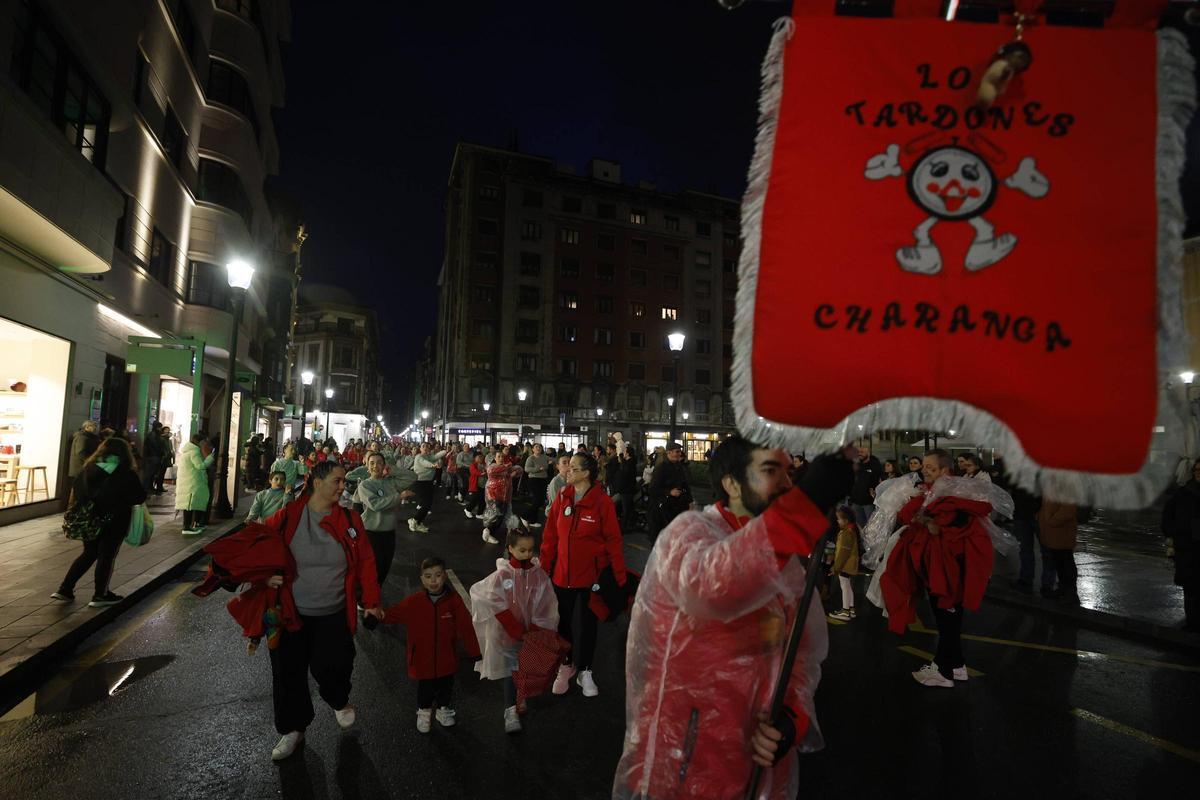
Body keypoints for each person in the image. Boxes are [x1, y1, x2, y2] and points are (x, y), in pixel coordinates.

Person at [613, 438, 854, 800]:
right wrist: (804, 506)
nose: (787, 484)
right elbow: (712, 586)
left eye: (790, 473)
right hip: (686, 759)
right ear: (731, 483)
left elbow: (802, 653)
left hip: (758, 762)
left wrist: (792, 717)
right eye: (771, 471)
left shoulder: (783, 559)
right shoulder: (689, 533)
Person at [259, 460, 384, 761]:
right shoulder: (287, 516)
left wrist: (372, 602)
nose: (343, 487)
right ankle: (293, 729)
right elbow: (258, 548)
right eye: (337, 481)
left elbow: (366, 562)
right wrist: (264, 575)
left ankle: (339, 699)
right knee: (289, 673)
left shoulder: (351, 520)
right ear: (317, 482)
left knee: (336, 665)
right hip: (291, 612)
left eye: (344, 481)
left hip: (334, 612)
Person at [876, 449, 1012, 688]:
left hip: (947, 570)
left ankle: (943, 670)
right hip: (942, 567)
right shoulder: (939, 495)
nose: (924, 471)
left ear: (945, 471)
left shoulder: (952, 498)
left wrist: (928, 520)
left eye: (931, 468)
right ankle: (957, 665)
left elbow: (949, 526)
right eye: (924, 467)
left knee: (947, 618)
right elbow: (914, 516)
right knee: (949, 618)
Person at [540, 453, 625, 698]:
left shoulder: (602, 502)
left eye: (574, 468)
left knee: (588, 625)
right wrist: (545, 566)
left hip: (592, 578)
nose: (568, 471)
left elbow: (613, 541)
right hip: (562, 576)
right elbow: (550, 536)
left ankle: (585, 670)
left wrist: (618, 577)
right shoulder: (562, 497)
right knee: (563, 623)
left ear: (586, 473)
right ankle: (566, 665)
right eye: (569, 468)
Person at [470, 530, 560, 733]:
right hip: (508, 635)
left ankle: (520, 698)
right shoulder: (503, 575)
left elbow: (546, 605)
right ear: (510, 549)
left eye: (530, 550)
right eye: (522, 550)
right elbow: (496, 603)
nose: (527, 554)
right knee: (512, 671)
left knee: (525, 668)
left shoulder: (538, 575)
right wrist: (516, 630)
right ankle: (510, 709)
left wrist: (535, 630)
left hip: (531, 635)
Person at [382, 557, 480, 732]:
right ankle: (424, 712)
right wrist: (376, 617)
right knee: (425, 689)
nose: (433, 580)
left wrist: (475, 651)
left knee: (446, 687)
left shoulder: (454, 601)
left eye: (437, 575)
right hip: (422, 659)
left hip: (446, 658)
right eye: (428, 576)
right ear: (421, 579)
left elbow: (466, 627)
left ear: (444, 576)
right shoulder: (414, 602)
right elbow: (393, 613)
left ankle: (443, 710)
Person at [51, 437, 148, 608]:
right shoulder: (124, 472)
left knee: (89, 553)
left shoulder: (87, 470)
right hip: (114, 521)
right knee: (106, 556)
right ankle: (100, 595)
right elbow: (138, 496)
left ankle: (65, 588)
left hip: (89, 520)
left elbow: (78, 494)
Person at [353, 452, 417, 589]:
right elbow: (376, 505)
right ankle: (364, 599)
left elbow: (412, 476)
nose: (376, 466)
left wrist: (393, 470)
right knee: (372, 567)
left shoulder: (390, 482)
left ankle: (374, 595)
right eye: (372, 463)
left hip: (388, 532)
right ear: (367, 467)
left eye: (379, 463)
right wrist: (399, 497)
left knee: (385, 566)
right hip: (371, 533)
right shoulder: (365, 485)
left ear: (384, 465)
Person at [1162, 459, 1200, 632]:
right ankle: (1192, 622)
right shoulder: (1183, 494)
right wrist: (1179, 532)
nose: (1199, 473)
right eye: (1197, 470)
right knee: (1190, 588)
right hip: (1187, 550)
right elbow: (1167, 519)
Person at [1037, 499, 1079, 603]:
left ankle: (1070, 592)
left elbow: (1069, 508)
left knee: (1066, 562)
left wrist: (1052, 520)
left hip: (1062, 531)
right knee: (1059, 563)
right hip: (1053, 532)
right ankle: (1063, 589)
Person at [648, 442, 692, 539]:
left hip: (677, 508)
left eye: (680, 451)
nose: (679, 454)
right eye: (677, 451)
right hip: (664, 511)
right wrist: (669, 492)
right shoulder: (661, 468)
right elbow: (652, 489)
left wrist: (690, 501)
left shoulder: (679, 466)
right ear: (669, 452)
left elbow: (685, 484)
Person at [175, 432, 215, 535]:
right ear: (199, 442)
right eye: (203, 442)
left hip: (189, 482)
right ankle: (187, 527)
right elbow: (200, 466)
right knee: (190, 505)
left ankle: (193, 525)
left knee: (192, 504)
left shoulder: (188, 451)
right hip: (192, 482)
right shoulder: (194, 452)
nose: (204, 444)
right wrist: (210, 458)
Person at [828, 506, 862, 621]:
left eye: (839, 519)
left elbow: (843, 553)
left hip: (845, 565)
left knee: (845, 587)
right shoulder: (851, 530)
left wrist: (836, 567)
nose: (837, 521)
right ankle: (850, 609)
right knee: (847, 586)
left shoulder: (847, 533)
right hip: (848, 564)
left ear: (846, 520)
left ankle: (845, 611)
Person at [410, 442, 448, 533]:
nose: (426, 448)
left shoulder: (429, 456)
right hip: (420, 482)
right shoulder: (419, 457)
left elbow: (436, 456)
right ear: (420, 448)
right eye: (424, 446)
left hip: (428, 482)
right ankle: (414, 521)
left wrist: (445, 451)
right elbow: (425, 463)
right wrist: (433, 465)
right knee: (426, 504)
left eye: (427, 446)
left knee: (428, 503)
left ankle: (418, 521)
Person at [848, 445, 883, 528]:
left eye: (862, 452)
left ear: (869, 453)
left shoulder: (875, 465)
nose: (860, 454)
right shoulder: (856, 465)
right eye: (859, 452)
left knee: (871, 527)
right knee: (860, 527)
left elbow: (880, 480)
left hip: (869, 503)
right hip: (856, 502)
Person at [523, 444, 552, 513]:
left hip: (543, 479)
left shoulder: (544, 457)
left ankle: (533, 520)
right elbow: (526, 469)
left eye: (540, 447)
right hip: (534, 480)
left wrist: (551, 462)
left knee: (541, 500)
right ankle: (525, 516)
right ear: (533, 449)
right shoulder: (531, 458)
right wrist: (538, 469)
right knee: (537, 500)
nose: (538, 448)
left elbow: (553, 460)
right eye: (536, 447)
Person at [140, 422, 166, 493]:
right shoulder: (153, 436)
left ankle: (150, 488)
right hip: (153, 457)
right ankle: (147, 489)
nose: (160, 429)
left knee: (152, 474)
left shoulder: (154, 435)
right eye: (159, 427)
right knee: (149, 474)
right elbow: (155, 446)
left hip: (153, 457)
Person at [464, 451, 487, 519]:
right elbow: (473, 471)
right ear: (475, 458)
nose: (481, 458)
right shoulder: (473, 465)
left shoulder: (484, 464)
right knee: (475, 499)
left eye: (481, 457)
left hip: (483, 485)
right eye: (479, 457)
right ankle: (468, 509)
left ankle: (479, 514)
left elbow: (487, 470)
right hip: (476, 486)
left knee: (483, 500)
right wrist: (481, 473)